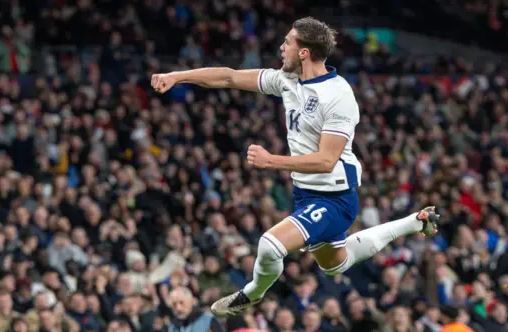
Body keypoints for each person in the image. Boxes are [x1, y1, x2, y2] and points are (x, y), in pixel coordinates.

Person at [151, 16, 440, 316]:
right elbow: (229, 77)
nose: (281, 47)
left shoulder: (338, 95)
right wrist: (177, 76)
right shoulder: (287, 80)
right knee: (336, 264)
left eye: (287, 42)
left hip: (335, 198)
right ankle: (415, 222)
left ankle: (251, 294)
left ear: (303, 52)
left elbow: (327, 160)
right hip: (305, 193)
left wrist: (270, 161)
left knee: (270, 245)